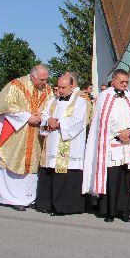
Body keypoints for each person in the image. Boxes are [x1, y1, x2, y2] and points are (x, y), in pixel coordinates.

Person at [82, 69, 130, 222]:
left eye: (127, 82)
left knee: (126, 178)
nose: (125, 85)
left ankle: (123, 210)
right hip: (111, 144)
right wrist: (118, 132)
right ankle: (109, 211)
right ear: (114, 80)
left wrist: (129, 132)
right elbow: (103, 120)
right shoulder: (105, 96)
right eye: (122, 82)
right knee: (112, 178)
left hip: (128, 145)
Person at [0, 64, 53, 210]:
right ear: (33, 76)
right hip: (16, 132)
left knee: (32, 164)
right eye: (42, 79)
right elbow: (6, 105)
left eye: (46, 79)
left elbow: (51, 106)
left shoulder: (47, 89)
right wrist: (28, 117)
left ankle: (29, 198)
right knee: (13, 161)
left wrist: (42, 116)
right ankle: (10, 198)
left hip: (36, 133)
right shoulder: (16, 85)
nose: (44, 82)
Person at [35, 74, 88, 215]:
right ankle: (46, 204)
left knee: (65, 175)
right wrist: (49, 120)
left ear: (72, 86)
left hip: (68, 144)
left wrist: (59, 123)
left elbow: (78, 121)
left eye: (64, 87)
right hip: (52, 142)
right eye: (59, 87)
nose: (60, 90)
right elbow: (44, 114)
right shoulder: (53, 100)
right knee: (50, 171)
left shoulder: (80, 101)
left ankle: (64, 206)